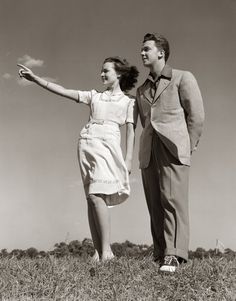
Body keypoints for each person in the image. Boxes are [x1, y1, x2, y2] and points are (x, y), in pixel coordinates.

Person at [18, 56, 139, 262]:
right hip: (86, 143)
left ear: (119, 74)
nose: (101, 74)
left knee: (98, 194)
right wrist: (37, 79)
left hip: (108, 144)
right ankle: (99, 251)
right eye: (101, 70)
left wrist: (128, 159)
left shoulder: (130, 102)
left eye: (106, 71)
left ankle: (107, 251)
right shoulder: (94, 96)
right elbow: (65, 91)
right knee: (91, 198)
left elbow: (131, 131)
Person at [135, 33, 204, 272]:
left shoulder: (183, 78)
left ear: (161, 52)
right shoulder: (141, 89)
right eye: (141, 50)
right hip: (149, 150)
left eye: (147, 49)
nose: (142, 53)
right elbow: (145, 121)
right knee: (155, 203)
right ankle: (160, 254)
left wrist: (187, 146)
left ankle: (175, 255)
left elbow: (196, 116)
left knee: (173, 202)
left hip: (174, 148)